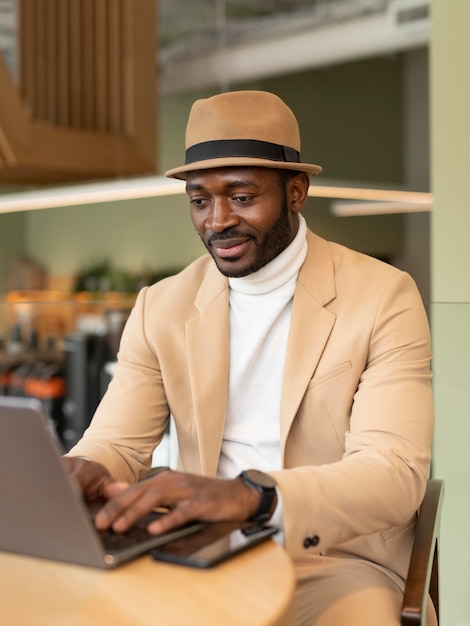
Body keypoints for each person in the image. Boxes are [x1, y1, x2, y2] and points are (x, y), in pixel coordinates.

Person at [64, 90, 435, 626]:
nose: (217, 222)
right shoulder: (159, 306)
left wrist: (252, 496)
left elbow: (393, 473)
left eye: (241, 197)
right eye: (200, 200)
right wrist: (83, 467)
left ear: (297, 191)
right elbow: (119, 441)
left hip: (336, 557)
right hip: (200, 549)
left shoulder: (383, 295)